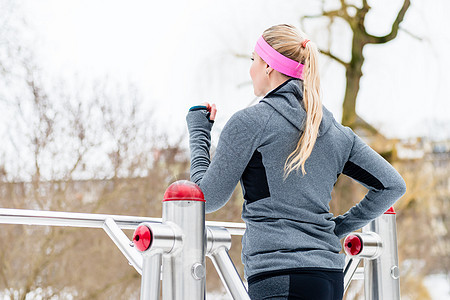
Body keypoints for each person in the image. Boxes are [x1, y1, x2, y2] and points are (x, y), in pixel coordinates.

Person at [186, 24, 406, 300]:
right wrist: (337, 228)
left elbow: (204, 198)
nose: (251, 68)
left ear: (268, 66)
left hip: (278, 275)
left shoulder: (250, 122)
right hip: (329, 277)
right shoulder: (335, 132)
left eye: (253, 60)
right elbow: (392, 185)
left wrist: (199, 133)